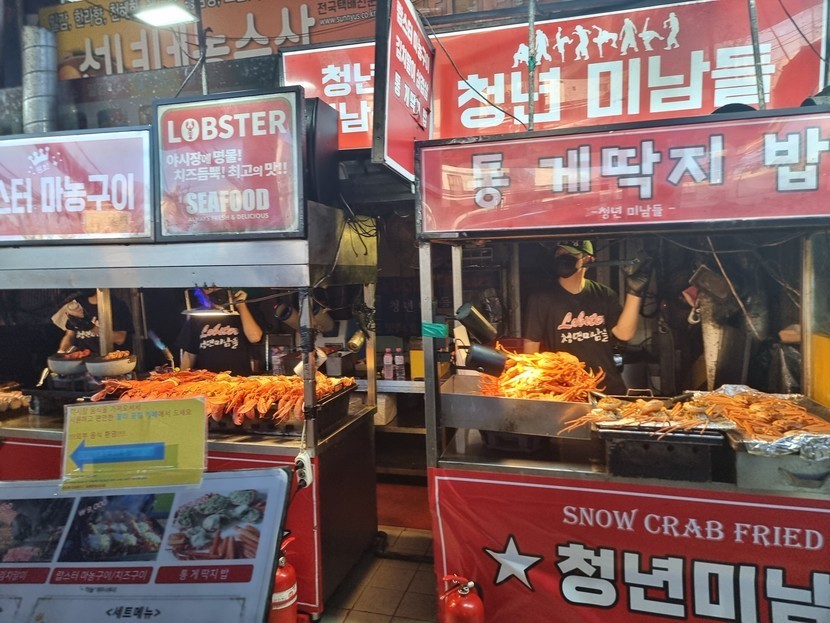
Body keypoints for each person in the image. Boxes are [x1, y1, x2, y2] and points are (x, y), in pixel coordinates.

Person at [523, 240, 650, 395]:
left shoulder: (604, 294)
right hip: (567, 390)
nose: (563, 258)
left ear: (588, 259)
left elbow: (624, 334)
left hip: (607, 388)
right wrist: (534, 388)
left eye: (570, 254)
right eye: (559, 253)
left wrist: (634, 293)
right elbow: (531, 349)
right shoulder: (541, 299)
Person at [176, 288, 263, 376]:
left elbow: (254, 337)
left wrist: (241, 304)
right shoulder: (196, 317)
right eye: (207, 289)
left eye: (216, 287)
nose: (213, 291)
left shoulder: (242, 313)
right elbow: (189, 354)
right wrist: (181, 378)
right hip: (207, 380)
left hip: (238, 380)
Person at [55, 289, 132, 356]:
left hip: (108, 360)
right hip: (82, 359)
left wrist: (91, 327)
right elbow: (70, 335)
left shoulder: (117, 305)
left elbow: (120, 339)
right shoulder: (78, 303)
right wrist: (62, 351)